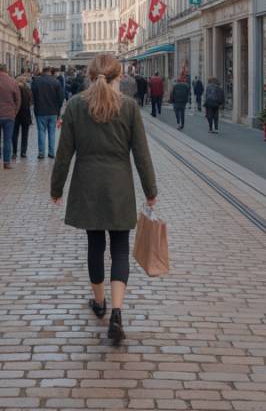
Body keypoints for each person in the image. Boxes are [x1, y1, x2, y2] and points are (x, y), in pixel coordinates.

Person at [50, 53, 157, 346]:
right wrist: (151, 190)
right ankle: (118, 311)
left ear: (91, 76)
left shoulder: (75, 106)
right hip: (119, 186)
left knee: (95, 246)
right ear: (118, 77)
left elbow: (64, 154)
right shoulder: (129, 107)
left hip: (87, 185)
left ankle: (99, 302)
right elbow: (142, 154)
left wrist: (56, 188)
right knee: (120, 249)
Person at [32, 66, 64, 160]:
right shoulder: (56, 82)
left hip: (40, 111)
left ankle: (41, 153)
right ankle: (51, 153)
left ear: (43, 71)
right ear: (50, 72)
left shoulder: (36, 81)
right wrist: (58, 109)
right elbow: (61, 98)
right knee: (52, 132)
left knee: (41, 132)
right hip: (53, 111)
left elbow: (32, 95)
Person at [13, 75, 33, 160]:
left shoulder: (14, 90)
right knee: (25, 134)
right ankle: (23, 152)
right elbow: (31, 102)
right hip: (25, 114)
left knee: (14, 134)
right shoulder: (28, 90)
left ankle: (14, 152)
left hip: (15, 114)